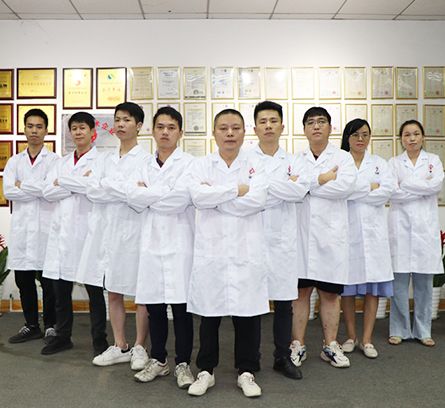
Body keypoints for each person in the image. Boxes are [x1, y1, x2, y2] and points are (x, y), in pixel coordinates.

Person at [187, 109, 269, 398]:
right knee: (209, 314)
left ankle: (247, 371)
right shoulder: (201, 165)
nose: (230, 133)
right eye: (223, 128)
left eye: (236, 127)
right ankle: (206, 371)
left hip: (246, 250)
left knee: (247, 314)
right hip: (213, 251)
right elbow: (199, 197)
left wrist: (217, 196)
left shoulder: (257, 164)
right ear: (214, 133)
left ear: (245, 132)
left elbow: (257, 200)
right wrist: (237, 190)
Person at [77, 102, 151, 369]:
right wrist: (123, 188)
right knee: (114, 290)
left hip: (134, 230)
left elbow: (140, 196)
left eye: (127, 120)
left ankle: (140, 346)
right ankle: (121, 345)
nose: (121, 124)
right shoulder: (104, 158)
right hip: (107, 231)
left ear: (139, 126)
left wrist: (108, 185)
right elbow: (92, 191)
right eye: (117, 119)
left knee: (141, 292)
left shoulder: (146, 160)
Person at [126, 107, 195, 388]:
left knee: (181, 309)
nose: (165, 132)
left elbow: (180, 200)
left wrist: (148, 193)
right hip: (152, 244)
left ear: (181, 132)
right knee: (154, 307)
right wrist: (163, 191)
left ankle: (183, 364)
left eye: (171, 127)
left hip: (180, 243)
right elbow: (132, 197)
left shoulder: (190, 164)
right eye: (160, 127)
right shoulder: (143, 165)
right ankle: (159, 360)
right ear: (152, 131)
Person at [291, 106, 355, 368]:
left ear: (330, 127)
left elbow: (344, 188)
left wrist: (308, 185)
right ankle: (297, 345)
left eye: (321, 121)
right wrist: (324, 179)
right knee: (300, 293)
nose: (316, 126)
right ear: (304, 129)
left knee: (329, 294)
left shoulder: (343, 158)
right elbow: (292, 189)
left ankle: (330, 346)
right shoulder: (296, 159)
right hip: (302, 237)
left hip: (331, 236)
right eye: (310, 122)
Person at [250, 101, 309, 379]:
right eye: (263, 121)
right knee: (251, 302)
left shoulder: (295, 160)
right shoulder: (246, 159)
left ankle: (282, 357)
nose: (268, 126)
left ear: (282, 126)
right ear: (255, 128)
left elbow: (299, 192)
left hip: (284, 240)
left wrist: (262, 186)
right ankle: (249, 360)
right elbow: (247, 194)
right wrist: (283, 186)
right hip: (252, 237)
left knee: (285, 302)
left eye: (273, 121)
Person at [41, 112, 108, 355]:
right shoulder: (61, 162)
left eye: (83, 128)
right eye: (74, 128)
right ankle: (63, 337)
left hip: (88, 233)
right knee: (61, 291)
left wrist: (62, 182)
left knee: (94, 292)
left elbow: (95, 188)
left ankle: (99, 340)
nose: (78, 132)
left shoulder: (101, 161)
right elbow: (47, 192)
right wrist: (76, 183)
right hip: (63, 235)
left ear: (93, 132)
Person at [339, 119, 394, 359]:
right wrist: (370, 187)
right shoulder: (340, 162)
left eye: (364, 134)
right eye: (355, 135)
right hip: (347, 232)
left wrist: (356, 190)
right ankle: (351, 336)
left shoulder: (379, 163)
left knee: (373, 287)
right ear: (347, 138)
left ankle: (367, 339)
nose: (360, 139)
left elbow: (386, 192)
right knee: (347, 289)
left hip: (374, 234)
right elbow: (341, 192)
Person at [3, 108, 58, 344]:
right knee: (24, 281)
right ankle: (31, 325)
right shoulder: (14, 161)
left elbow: (50, 191)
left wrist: (22, 185)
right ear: (24, 129)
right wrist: (38, 187)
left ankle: (51, 326)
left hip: (46, 230)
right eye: (30, 126)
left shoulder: (55, 161)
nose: (34, 130)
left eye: (39, 126)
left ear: (46, 130)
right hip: (23, 230)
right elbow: (9, 191)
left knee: (48, 282)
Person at [388, 120, 444, 347]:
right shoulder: (393, 162)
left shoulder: (433, 160)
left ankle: (423, 330)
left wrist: (404, 184)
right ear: (401, 139)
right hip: (400, 227)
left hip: (425, 229)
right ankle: (399, 329)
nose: (411, 138)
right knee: (399, 284)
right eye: (407, 134)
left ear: (423, 137)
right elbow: (392, 192)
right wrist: (422, 186)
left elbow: (435, 186)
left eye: (416, 134)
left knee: (424, 283)